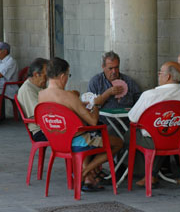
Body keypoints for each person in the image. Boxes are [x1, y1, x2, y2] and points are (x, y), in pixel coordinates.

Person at [38, 57, 123, 191]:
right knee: (118, 143)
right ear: (62, 76)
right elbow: (93, 121)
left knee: (89, 135)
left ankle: (87, 173)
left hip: (56, 141)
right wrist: (96, 104)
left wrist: (79, 106)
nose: (67, 79)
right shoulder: (68, 96)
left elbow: (63, 112)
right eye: (68, 75)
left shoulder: (41, 95)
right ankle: (84, 172)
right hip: (77, 142)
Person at [126, 61, 180, 187]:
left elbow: (133, 118)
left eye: (160, 72)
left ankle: (149, 174)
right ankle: (152, 175)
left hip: (154, 141)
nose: (158, 75)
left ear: (168, 76)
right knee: (164, 134)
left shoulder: (149, 95)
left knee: (130, 135)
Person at [88, 51, 141, 123]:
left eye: (116, 67)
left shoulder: (128, 81)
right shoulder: (95, 82)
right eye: (110, 68)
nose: (114, 71)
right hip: (104, 123)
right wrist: (107, 93)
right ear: (103, 67)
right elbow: (90, 107)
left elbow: (139, 101)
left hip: (127, 122)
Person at [16, 58, 49, 142]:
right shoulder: (28, 89)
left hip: (48, 126)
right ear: (36, 74)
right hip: (40, 131)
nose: (47, 79)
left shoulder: (39, 86)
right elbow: (40, 113)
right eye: (45, 76)